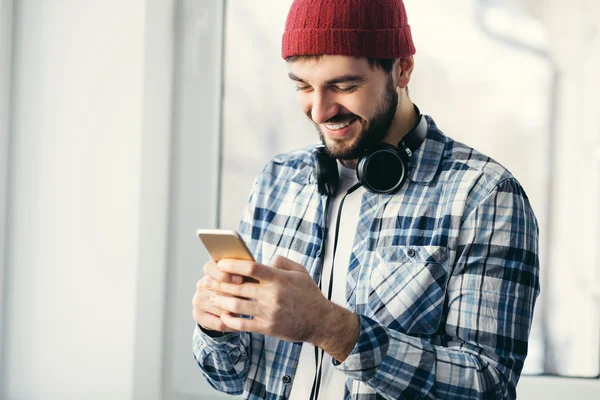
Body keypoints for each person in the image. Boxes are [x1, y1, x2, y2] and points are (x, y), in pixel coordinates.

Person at [192, 0, 540, 398]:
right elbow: (231, 379)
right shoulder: (277, 180)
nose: (320, 111)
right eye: (303, 86)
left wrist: (328, 327)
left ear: (403, 68)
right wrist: (214, 328)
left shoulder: (485, 196)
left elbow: (488, 385)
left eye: (344, 86)